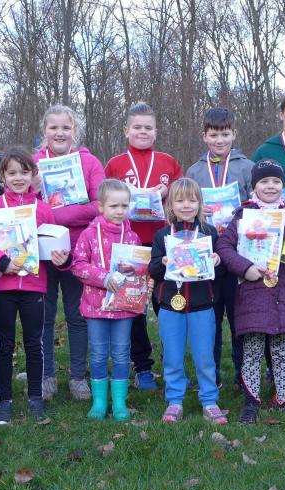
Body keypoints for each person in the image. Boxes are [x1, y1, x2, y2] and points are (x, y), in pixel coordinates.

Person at [217, 160, 285, 424]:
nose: (270, 186)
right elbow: (224, 247)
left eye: (276, 181)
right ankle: (251, 402)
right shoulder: (243, 216)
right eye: (264, 181)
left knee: (283, 351)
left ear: (282, 185)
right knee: (252, 351)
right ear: (254, 186)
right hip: (253, 296)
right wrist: (245, 268)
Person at [0, 146, 58, 424]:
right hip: (3, 287)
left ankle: (36, 397)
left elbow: (52, 243)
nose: (18, 178)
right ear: (3, 176)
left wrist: (60, 256)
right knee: (4, 344)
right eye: (12, 173)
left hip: (34, 286)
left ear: (33, 174)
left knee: (35, 343)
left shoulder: (43, 209)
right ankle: (4, 401)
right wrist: (0, 262)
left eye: (24, 172)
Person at [105, 102, 181, 391]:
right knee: (134, 304)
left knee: (166, 303)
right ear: (126, 130)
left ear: (156, 132)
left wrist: (167, 190)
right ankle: (142, 366)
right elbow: (106, 201)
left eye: (148, 127)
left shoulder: (168, 161)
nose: (142, 132)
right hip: (129, 243)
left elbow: (181, 197)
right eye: (137, 127)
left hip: (162, 242)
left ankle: (172, 361)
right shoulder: (115, 164)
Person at [34, 105, 105, 402]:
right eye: (54, 127)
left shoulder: (89, 162)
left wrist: (57, 215)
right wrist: (35, 193)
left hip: (79, 251)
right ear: (44, 131)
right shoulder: (33, 163)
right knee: (43, 315)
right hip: (40, 251)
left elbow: (100, 205)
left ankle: (78, 377)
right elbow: (20, 204)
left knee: (78, 315)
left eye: (66, 127)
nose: (60, 133)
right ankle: (46, 375)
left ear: (75, 131)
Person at [149, 178, 227, 424]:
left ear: (200, 204)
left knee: (205, 357)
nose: (186, 205)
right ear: (170, 204)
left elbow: (222, 271)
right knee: (172, 357)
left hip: (202, 306)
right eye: (180, 200)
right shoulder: (162, 235)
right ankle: (174, 401)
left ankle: (209, 401)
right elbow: (152, 269)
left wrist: (217, 261)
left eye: (192, 200)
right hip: (170, 306)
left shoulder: (209, 233)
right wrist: (162, 263)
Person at [184, 107, 253, 387]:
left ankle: (242, 374)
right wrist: (198, 209)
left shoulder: (247, 167)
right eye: (213, 135)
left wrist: (243, 208)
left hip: (237, 253)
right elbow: (184, 207)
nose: (219, 140)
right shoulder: (194, 171)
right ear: (204, 136)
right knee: (209, 319)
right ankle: (210, 375)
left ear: (234, 134)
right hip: (206, 253)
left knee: (239, 318)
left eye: (225, 134)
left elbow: (257, 203)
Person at [70, 179, 141, 421]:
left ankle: (119, 402)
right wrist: (104, 277)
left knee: (121, 353)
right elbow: (78, 265)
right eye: (113, 206)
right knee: (99, 354)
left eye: (124, 206)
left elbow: (138, 270)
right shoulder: (88, 235)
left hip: (123, 307)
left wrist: (141, 280)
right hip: (95, 306)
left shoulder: (132, 237)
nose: (120, 211)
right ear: (101, 207)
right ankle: (99, 402)